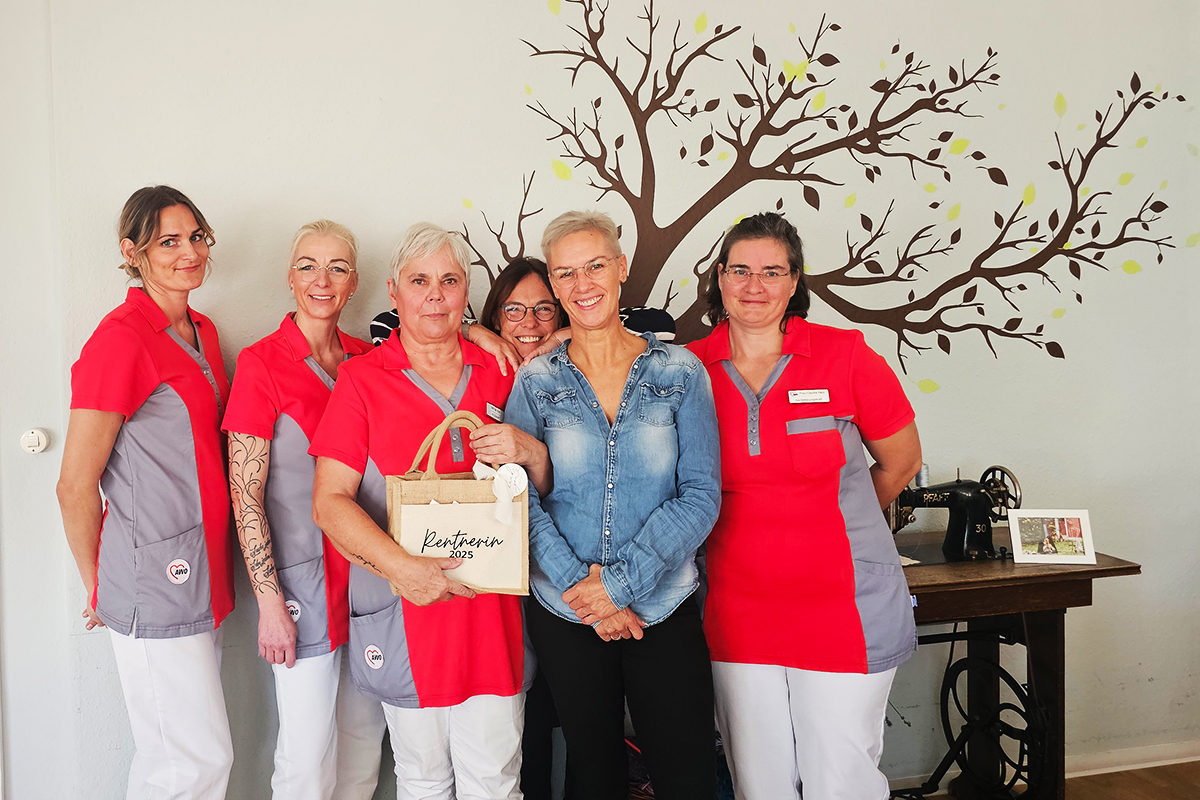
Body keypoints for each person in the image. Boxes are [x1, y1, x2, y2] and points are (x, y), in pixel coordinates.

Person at [309, 222, 551, 800]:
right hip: (406, 613)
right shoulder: (361, 380)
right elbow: (328, 503)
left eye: (449, 280)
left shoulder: (502, 370)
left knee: (495, 783)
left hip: (491, 617)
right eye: (419, 281)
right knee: (422, 782)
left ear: (467, 291)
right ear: (394, 292)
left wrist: (535, 455)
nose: (435, 296)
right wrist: (402, 568)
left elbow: (545, 488)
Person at [687, 213, 923, 800]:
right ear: (720, 279)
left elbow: (901, 463)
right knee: (758, 783)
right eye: (739, 270)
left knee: (839, 781)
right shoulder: (686, 369)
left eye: (772, 272)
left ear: (794, 281)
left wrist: (832, 524)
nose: (754, 285)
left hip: (844, 606)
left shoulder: (846, 356)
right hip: (739, 611)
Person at [505, 210, 722, 800]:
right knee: (592, 777)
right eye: (566, 273)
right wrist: (587, 593)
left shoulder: (680, 371)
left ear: (621, 268)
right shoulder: (535, 381)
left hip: (664, 607)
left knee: (686, 776)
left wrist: (619, 586)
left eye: (595, 266)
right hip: (566, 612)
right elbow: (517, 497)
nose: (583, 284)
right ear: (554, 285)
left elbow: (701, 495)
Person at [56, 185, 235, 799]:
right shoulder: (120, 339)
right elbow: (74, 485)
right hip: (151, 578)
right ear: (132, 253)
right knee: (195, 762)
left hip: (200, 569)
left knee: (172, 759)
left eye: (196, 237)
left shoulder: (201, 330)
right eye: (169, 242)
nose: (190, 253)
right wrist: (99, 583)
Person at [222, 220, 386, 800]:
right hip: (299, 587)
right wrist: (269, 603)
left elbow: (439, 330)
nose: (323, 280)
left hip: (370, 580)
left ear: (354, 282)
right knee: (306, 757)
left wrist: (488, 336)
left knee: (364, 746)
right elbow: (245, 493)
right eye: (309, 266)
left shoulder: (371, 361)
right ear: (290, 278)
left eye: (338, 268)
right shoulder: (261, 364)